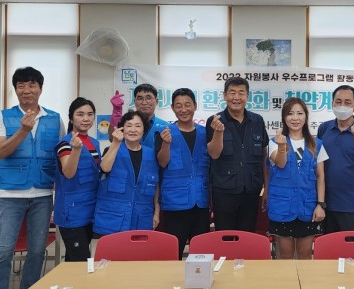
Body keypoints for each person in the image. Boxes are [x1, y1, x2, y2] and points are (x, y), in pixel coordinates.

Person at [0, 67, 64, 289]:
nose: (26, 90)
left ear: (40, 88)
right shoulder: (2, 116)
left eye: (32, 85)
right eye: (21, 86)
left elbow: (61, 154)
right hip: (10, 194)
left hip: (43, 193)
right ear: (15, 90)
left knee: (36, 251)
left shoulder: (54, 118)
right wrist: (22, 130)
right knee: (3, 251)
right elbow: (1, 151)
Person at [206, 77, 269, 232]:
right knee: (225, 237)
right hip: (224, 192)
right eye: (232, 92)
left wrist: (267, 188)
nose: (236, 97)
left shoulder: (257, 121)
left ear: (247, 96)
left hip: (251, 191)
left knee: (247, 236)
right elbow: (214, 154)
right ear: (224, 95)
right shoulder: (215, 121)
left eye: (241, 93)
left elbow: (264, 157)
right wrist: (218, 132)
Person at [268, 97, 327, 259]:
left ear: (306, 117)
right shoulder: (274, 142)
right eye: (290, 113)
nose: (295, 118)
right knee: (285, 255)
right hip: (282, 207)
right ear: (284, 117)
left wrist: (321, 204)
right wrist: (282, 147)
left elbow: (320, 176)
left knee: (305, 254)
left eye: (300, 113)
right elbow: (280, 163)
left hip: (308, 206)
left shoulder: (317, 144)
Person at [157, 88, 210, 259]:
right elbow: (162, 162)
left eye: (188, 105)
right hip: (175, 203)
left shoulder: (205, 133)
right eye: (178, 106)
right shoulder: (164, 132)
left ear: (195, 106)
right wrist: (166, 143)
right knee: (173, 253)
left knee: (201, 255)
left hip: (201, 202)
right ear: (173, 108)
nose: (183, 109)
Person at [317, 85, 354, 234]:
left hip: (351, 205)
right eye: (338, 101)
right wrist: (319, 202)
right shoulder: (324, 128)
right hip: (325, 204)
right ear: (332, 104)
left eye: (347, 102)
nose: (342, 106)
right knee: (326, 247)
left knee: (351, 247)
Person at [93, 110, 160, 236]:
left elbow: (155, 186)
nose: (133, 130)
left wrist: (156, 212)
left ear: (144, 130)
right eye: (129, 126)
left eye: (138, 126)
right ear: (122, 129)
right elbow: (105, 168)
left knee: (140, 249)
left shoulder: (152, 155)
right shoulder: (112, 149)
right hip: (113, 219)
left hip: (141, 218)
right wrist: (116, 143)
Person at [54, 97, 100, 262]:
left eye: (90, 114)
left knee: (74, 260)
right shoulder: (65, 144)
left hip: (90, 208)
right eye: (80, 114)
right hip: (72, 212)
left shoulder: (94, 143)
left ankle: (68, 280)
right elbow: (68, 172)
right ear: (71, 118)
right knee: (81, 260)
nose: (86, 118)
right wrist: (76, 149)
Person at [109, 83, 169, 149]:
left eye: (148, 98)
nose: (144, 102)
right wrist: (116, 112)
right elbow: (112, 139)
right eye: (140, 98)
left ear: (156, 101)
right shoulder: (127, 123)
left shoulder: (165, 126)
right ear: (134, 101)